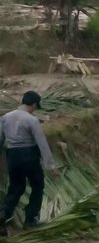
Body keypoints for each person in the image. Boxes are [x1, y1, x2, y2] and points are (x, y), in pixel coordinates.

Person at [0, 91, 58, 228]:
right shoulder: (32, 120)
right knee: (38, 186)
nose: (35, 110)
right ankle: (31, 220)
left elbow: (0, 140)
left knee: (15, 187)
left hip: (13, 155)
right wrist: (51, 166)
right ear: (33, 104)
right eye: (36, 107)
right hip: (29, 155)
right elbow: (42, 144)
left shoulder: (5, 117)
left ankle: (3, 214)